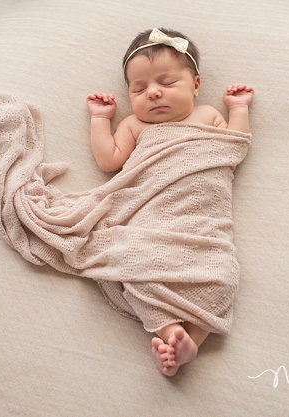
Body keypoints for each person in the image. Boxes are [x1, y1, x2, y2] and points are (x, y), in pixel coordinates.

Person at [86, 27, 254, 376]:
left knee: (221, 277)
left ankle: (192, 337)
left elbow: (234, 145)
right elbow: (108, 161)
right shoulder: (133, 124)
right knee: (133, 266)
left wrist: (237, 109)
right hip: (152, 217)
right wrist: (101, 120)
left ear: (195, 85)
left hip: (204, 220)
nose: (154, 93)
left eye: (167, 82)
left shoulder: (207, 115)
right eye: (140, 88)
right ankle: (170, 331)